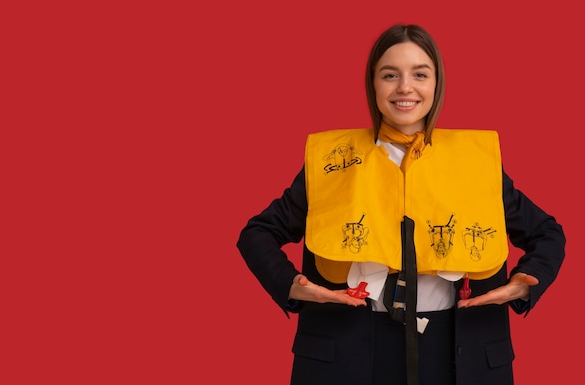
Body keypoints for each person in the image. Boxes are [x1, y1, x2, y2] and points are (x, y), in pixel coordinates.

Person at [236, 23, 566, 385]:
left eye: (420, 74)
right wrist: (290, 284)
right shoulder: (335, 160)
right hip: (349, 352)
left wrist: (524, 283)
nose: (405, 87)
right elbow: (259, 233)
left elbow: (546, 233)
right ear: (373, 84)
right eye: (390, 74)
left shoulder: (474, 161)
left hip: (459, 352)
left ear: (436, 84)